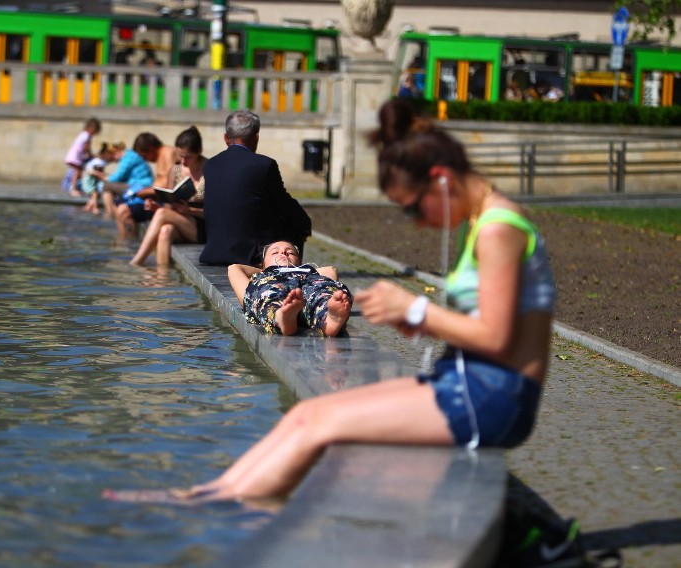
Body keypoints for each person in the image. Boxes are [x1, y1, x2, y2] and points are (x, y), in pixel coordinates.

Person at [179, 98, 556, 501]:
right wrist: (419, 319)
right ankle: (213, 493)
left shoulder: (499, 231)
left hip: (491, 399)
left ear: (441, 179)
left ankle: (234, 511)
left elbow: (497, 338)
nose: (420, 222)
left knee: (320, 425)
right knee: (308, 414)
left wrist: (414, 309)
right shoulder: (484, 222)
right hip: (464, 384)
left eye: (413, 207)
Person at [199, 110, 311, 266]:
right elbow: (282, 202)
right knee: (297, 224)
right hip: (251, 254)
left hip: (213, 251)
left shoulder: (210, 165)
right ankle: (293, 276)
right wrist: (305, 223)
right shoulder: (264, 165)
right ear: (256, 138)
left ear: (226, 138)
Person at [228, 240, 353, 337]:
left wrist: (302, 269)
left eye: (290, 252)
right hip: (273, 280)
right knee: (267, 295)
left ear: (299, 261)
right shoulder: (263, 276)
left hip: (310, 281)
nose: (283, 253)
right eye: (275, 252)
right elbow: (234, 268)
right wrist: (264, 270)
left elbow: (330, 270)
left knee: (324, 292)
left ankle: (329, 319)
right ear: (263, 263)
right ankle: (281, 317)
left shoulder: (311, 273)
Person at [130, 126, 207, 266]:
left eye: (188, 157)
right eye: (180, 156)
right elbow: (168, 204)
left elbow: (217, 212)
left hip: (203, 225)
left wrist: (190, 211)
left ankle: (137, 262)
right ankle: (162, 281)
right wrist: (156, 207)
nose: (183, 162)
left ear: (199, 152)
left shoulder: (209, 169)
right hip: (181, 221)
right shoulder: (176, 169)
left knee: (161, 213)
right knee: (165, 231)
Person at [102, 132, 163, 239]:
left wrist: (100, 176)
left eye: (113, 156)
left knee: (106, 187)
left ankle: (109, 215)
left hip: (141, 187)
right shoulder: (131, 156)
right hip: (140, 188)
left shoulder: (129, 156)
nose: (114, 160)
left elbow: (116, 177)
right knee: (121, 209)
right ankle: (124, 240)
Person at [81, 141, 125, 214]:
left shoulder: (99, 161)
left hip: (90, 181)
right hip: (89, 182)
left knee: (95, 194)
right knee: (95, 194)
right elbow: (97, 173)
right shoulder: (99, 163)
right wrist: (104, 175)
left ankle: (88, 206)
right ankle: (95, 208)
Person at [62, 117, 101, 197]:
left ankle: (76, 187)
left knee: (78, 171)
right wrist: (91, 155)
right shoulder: (87, 136)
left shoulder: (83, 134)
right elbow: (86, 148)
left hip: (74, 155)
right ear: (92, 129)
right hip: (75, 156)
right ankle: (73, 189)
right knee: (77, 171)